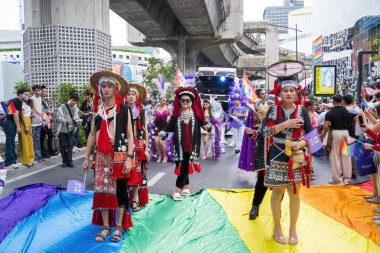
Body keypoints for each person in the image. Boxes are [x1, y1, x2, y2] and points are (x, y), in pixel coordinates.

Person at [261, 68, 313, 245]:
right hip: (276, 154)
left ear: (296, 93)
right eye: (285, 90)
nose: (289, 93)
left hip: (296, 156)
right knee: (277, 192)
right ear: (279, 93)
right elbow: (263, 132)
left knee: (295, 193)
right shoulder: (273, 111)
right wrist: (284, 125)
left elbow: (314, 137)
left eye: (292, 90)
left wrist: (301, 143)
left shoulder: (302, 111)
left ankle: (292, 229)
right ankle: (277, 227)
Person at [82, 70, 134, 242]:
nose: (105, 89)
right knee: (103, 190)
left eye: (109, 86)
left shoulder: (124, 110)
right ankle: (105, 226)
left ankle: (118, 226)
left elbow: (129, 135)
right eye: (102, 86)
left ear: (115, 89)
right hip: (101, 156)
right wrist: (86, 157)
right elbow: (91, 135)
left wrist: (129, 157)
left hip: (119, 155)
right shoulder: (97, 111)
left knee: (120, 191)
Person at [160, 87, 211, 201]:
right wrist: (163, 132)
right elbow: (169, 128)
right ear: (180, 101)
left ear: (191, 101)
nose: (185, 102)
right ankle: (186, 186)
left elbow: (204, 123)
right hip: (179, 146)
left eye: (187, 100)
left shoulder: (196, 115)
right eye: (182, 100)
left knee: (184, 165)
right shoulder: (176, 115)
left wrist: (208, 126)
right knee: (182, 164)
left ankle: (177, 189)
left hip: (192, 145)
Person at [125, 83, 150, 212]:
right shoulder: (121, 109)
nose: (131, 96)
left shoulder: (141, 111)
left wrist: (146, 148)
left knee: (137, 173)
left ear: (137, 97)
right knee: (126, 173)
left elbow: (145, 130)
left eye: (133, 94)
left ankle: (134, 200)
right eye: (128, 94)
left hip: (139, 145)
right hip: (125, 145)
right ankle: (124, 200)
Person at [323, 94, 354, 185]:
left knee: (335, 156)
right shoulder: (348, 111)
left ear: (333, 101)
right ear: (342, 101)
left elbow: (325, 127)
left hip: (335, 133)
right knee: (347, 156)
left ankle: (337, 179)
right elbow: (354, 121)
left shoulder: (329, 113)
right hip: (347, 133)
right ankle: (347, 179)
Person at [3, 88, 26, 168]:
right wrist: (18, 127)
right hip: (10, 123)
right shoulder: (18, 101)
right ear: (20, 94)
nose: (26, 96)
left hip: (8, 122)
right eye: (25, 94)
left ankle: (12, 161)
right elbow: (15, 114)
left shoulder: (14, 100)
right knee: (10, 142)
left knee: (10, 142)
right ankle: (10, 162)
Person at [57, 93, 80, 167]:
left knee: (70, 146)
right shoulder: (62, 107)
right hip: (62, 130)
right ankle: (64, 161)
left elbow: (76, 118)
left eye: (76, 101)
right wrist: (65, 121)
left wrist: (76, 122)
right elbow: (58, 117)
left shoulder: (75, 108)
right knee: (62, 146)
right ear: (70, 99)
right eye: (74, 101)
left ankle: (70, 161)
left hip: (70, 130)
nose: (74, 103)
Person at [18, 93, 34, 167]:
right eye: (26, 94)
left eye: (28, 94)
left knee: (29, 141)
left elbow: (27, 114)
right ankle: (26, 160)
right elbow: (22, 115)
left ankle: (30, 159)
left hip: (28, 121)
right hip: (24, 122)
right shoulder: (22, 104)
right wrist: (26, 126)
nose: (27, 95)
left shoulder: (28, 103)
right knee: (25, 142)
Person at [152, 97, 170, 163]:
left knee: (162, 142)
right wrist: (153, 120)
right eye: (163, 100)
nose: (165, 101)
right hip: (157, 127)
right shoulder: (156, 108)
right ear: (160, 101)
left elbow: (171, 117)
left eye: (165, 100)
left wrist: (169, 118)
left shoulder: (168, 108)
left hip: (165, 128)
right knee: (156, 141)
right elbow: (154, 117)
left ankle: (165, 156)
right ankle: (160, 156)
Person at [31, 85, 46, 163]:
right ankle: (36, 157)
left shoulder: (40, 98)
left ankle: (38, 156)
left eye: (39, 90)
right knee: (35, 140)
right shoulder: (32, 98)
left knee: (38, 140)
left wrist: (42, 120)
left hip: (39, 122)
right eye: (36, 90)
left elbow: (40, 109)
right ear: (33, 91)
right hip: (33, 122)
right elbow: (35, 110)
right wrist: (42, 116)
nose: (38, 92)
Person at [40, 85, 54, 158]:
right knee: (42, 137)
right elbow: (40, 110)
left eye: (46, 91)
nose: (46, 92)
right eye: (44, 91)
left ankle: (50, 151)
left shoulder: (45, 100)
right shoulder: (39, 100)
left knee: (50, 135)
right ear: (41, 91)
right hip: (42, 121)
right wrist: (47, 111)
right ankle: (43, 153)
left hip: (48, 121)